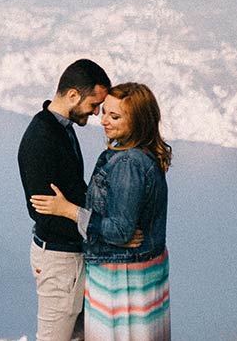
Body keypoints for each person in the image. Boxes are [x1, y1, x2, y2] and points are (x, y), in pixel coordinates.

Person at [31, 82, 172, 341]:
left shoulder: (128, 163)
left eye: (114, 116)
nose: (103, 120)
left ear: (139, 122)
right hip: (140, 273)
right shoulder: (141, 154)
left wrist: (69, 210)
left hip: (121, 279)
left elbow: (120, 230)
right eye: (104, 111)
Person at [18, 59, 111, 341]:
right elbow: (44, 213)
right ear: (73, 95)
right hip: (60, 260)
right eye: (94, 104)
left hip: (71, 256)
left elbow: (73, 189)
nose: (96, 113)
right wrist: (99, 229)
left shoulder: (61, 127)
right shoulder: (43, 138)